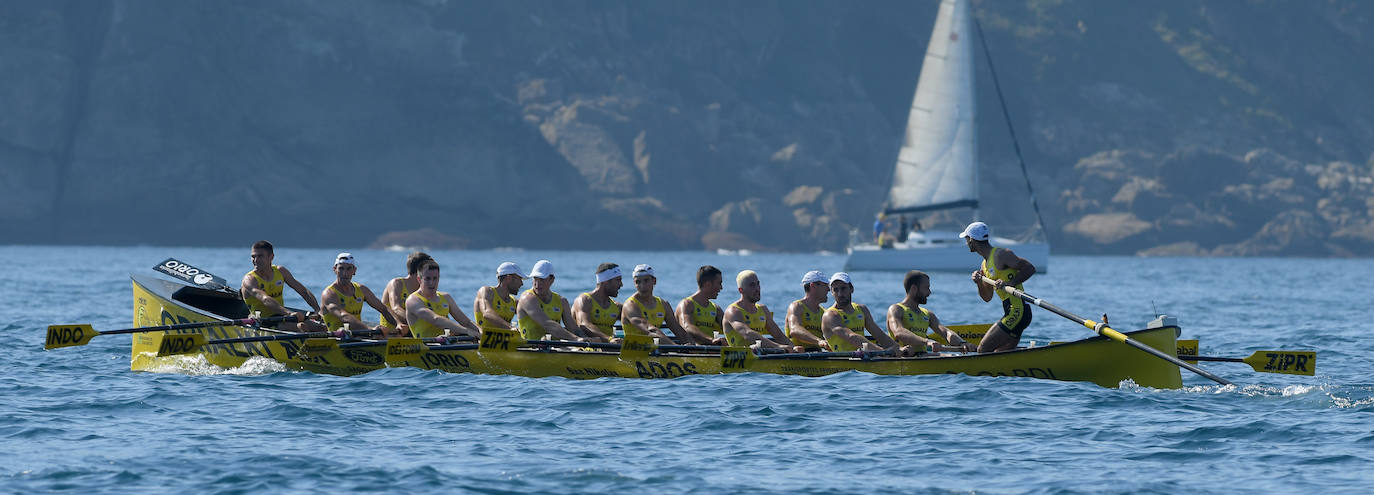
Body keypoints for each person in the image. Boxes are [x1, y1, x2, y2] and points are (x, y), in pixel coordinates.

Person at [961, 221, 1036, 353]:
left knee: (983, 349)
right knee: (999, 353)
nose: (966, 243)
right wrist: (979, 283)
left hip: (1017, 311)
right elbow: (987, 297)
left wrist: (1010, 283)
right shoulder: (984, 265)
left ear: (972, 240)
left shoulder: (1001, 254)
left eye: (966, 239)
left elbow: (1030, 268)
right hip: (1012, 311)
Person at [240, 240, 326, 332]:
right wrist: (289, 313)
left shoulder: (281, 271)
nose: (256, 260)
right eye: (253, 257)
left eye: (260, 256)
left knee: (322, 328)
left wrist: (317, 309)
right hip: (263, 321)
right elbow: (265, 299)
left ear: (271, 257)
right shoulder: (250, 279)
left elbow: (303, 291)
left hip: (282, 316)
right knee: (301, 327)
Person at [886, 270, 976, 353]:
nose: (929, 292)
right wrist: (927, 341)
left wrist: (962, 343)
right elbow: (898, 332)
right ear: (914, 289)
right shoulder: (896, 309)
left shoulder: (928, 314)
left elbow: (945, 332)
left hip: (923, 357)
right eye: (926, 288)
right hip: (903, 358)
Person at [821, 272, 907, 355]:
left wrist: (898, 348)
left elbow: (879, 335)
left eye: (843, 288)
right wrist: (883, 352)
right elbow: (851, 336)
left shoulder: (862, 309)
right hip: (842, 364)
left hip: (861, 359)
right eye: (835, 290)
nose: (840, 294)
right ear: (832, 292)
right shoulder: (830, 315)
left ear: (851, 289)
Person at [723, 270, 802, 352]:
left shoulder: (763, 309)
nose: (757, 289)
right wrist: (777, 346)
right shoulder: (733, 311)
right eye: (752, 285)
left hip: (759, 354)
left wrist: (793, 347)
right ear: (741, 290)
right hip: (739, 357)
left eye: (758, 284)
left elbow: (779, 336)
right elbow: (747, 334)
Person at [319, 253, 396, 334]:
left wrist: (399, 324)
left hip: (359, 334)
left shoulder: (361, 289)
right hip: (338, 337)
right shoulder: (329, 294)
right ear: (335, 270)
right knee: (342, 331)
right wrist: (370, 330)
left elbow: (384, 309)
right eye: (341, 269)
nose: (345, 273)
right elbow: (344, 316)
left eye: (348, 269)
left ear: (354, 270)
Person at [405, 261, 481, 339]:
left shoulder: (446, 297)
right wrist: (466, 331)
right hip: (426, 346)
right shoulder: (413, 300)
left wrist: (481, 332)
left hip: (446, 344)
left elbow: (466, 322)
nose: (432, 283)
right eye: (427, 279)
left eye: (435, 278)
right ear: (419, 279)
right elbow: (435, 319)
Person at [515, 260, 584, 341]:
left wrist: (586, 338)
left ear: (552, 279)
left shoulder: (562, 301)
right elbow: (547, 324)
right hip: (530, 347)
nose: (537, 284)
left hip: (553, 348)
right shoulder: (527, 298)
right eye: (535, 279)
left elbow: (573, 329)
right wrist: (576, 339)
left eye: (542, 280)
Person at [621, 264, 691, 344]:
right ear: (634, 284)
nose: (642, 286)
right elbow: (651, 331)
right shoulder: (630, 305)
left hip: (655, 350)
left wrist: (694, 347)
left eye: (646, 281)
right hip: (634, 351)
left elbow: (680, 332)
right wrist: (676, 348)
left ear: (654, 281)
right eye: (638, 282)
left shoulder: (663, 304)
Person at [380, 251, 433, 337]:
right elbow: (396, 308)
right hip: (392, 332)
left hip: (413, 331)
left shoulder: (423, 289)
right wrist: (418, 323)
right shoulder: (397, 283)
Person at [674, 265, 727, 345]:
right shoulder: (686, 305)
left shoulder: (715, 309)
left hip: (711, 350)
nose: (721, 288)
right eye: (719, 283)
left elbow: (730, 328)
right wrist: (711, 340)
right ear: (708, 284)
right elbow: (687, 327)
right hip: (691, 351)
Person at [571, 263, 623, 343]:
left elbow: (634, 320)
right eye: (618, 280)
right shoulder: (584, 300)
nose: (621, 285)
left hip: (607, 348)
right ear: (606, 281)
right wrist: (609, 339)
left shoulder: (617, 307)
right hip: (585, 347)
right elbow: (584, 325)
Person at [785, 270, 831, 350]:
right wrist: (819, 341)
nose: (828, 289)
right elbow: (795, 330)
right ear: (813, 286)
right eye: (825, 285)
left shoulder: (824, 312)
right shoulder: (796, 307)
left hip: (818, 356)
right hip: (797, 355)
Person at [474, 262, 524, 332]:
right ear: (509, 278)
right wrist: (510, 327)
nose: (522, 284)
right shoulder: (487, 292)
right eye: (520, 279)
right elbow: (487, 314)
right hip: (482, 340)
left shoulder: (513, 302)